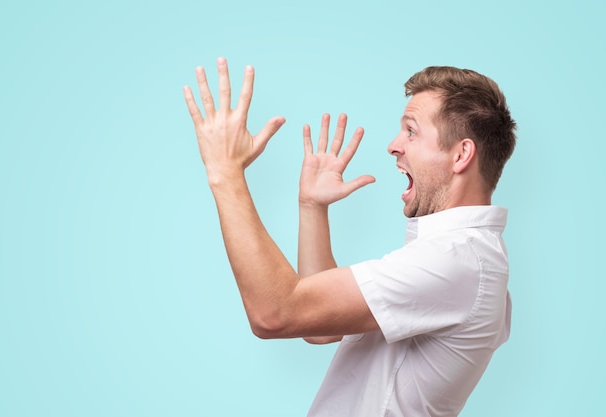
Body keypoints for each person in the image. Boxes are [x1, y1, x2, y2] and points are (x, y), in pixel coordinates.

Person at [183, 57, 516, 417]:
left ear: (461, 154)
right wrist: (312, 207)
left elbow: (275, 314)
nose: (393, 145)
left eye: (411, 131)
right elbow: (320, 327)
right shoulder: (461, 257)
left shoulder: (455, 261)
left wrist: (224, 170)